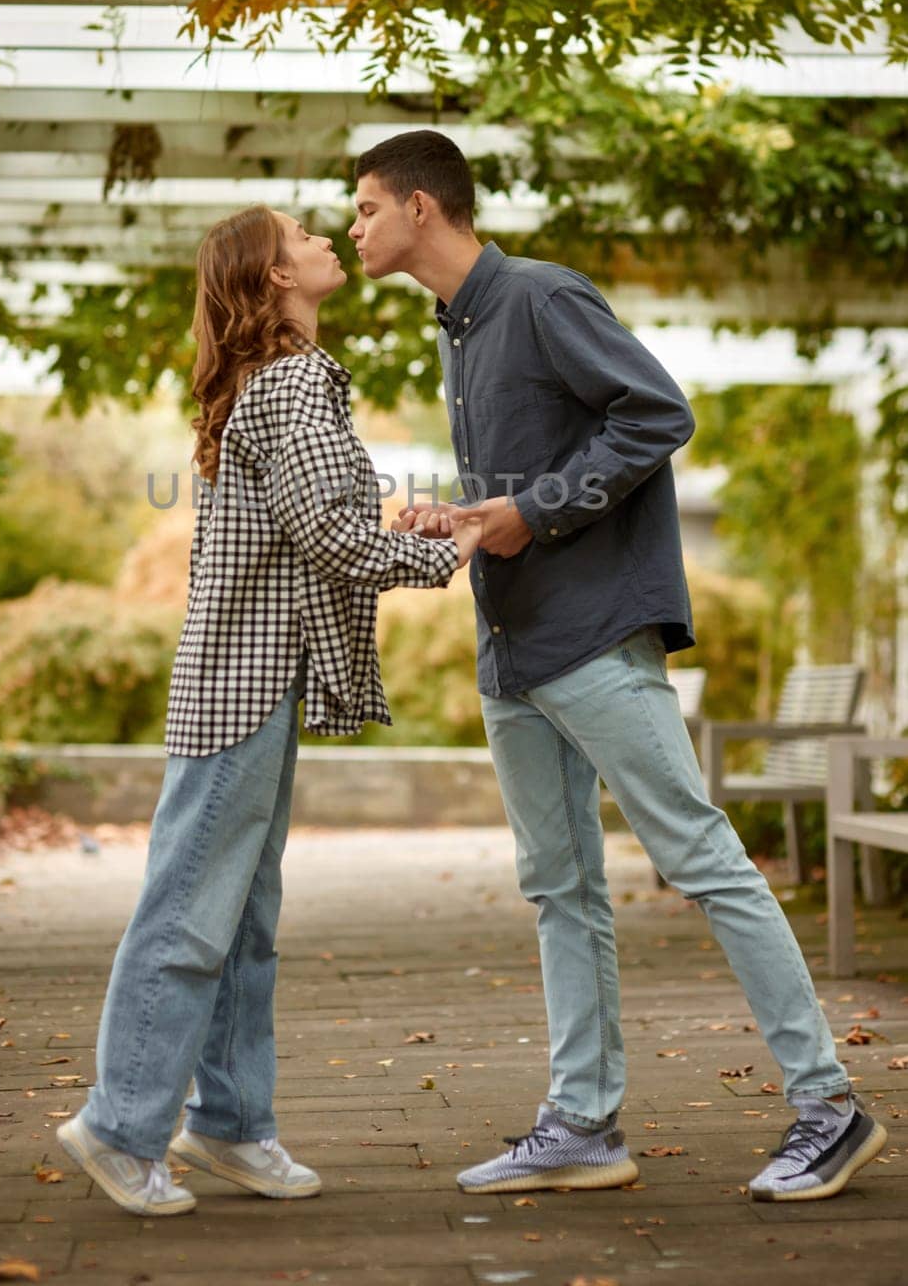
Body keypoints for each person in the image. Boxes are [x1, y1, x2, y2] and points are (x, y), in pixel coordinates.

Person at [348, 130, 887, 1204]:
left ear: (421, 206)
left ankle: (830, 1105)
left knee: (702, 858)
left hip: (593, 637)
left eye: (364, 207)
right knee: (561, 888)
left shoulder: (544, 298)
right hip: (513, 650)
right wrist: (471, 516)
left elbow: (659, 413)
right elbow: (531, 484)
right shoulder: (457, 329)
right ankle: (583, 1124)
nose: (355, 227)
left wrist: (530, 513)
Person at [58, 202, 480, 1216]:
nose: (329, 236)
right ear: (274, 280)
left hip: (260, 680)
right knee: (191, 911)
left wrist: (404, 528)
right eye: (302, 235)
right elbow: (332, 539)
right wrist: (448, 550)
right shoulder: (290, 383)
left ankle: (233, 1123)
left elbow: (313, 531)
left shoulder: (289, 384)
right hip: (244, 687)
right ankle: (119, 1127)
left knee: (243, 919)